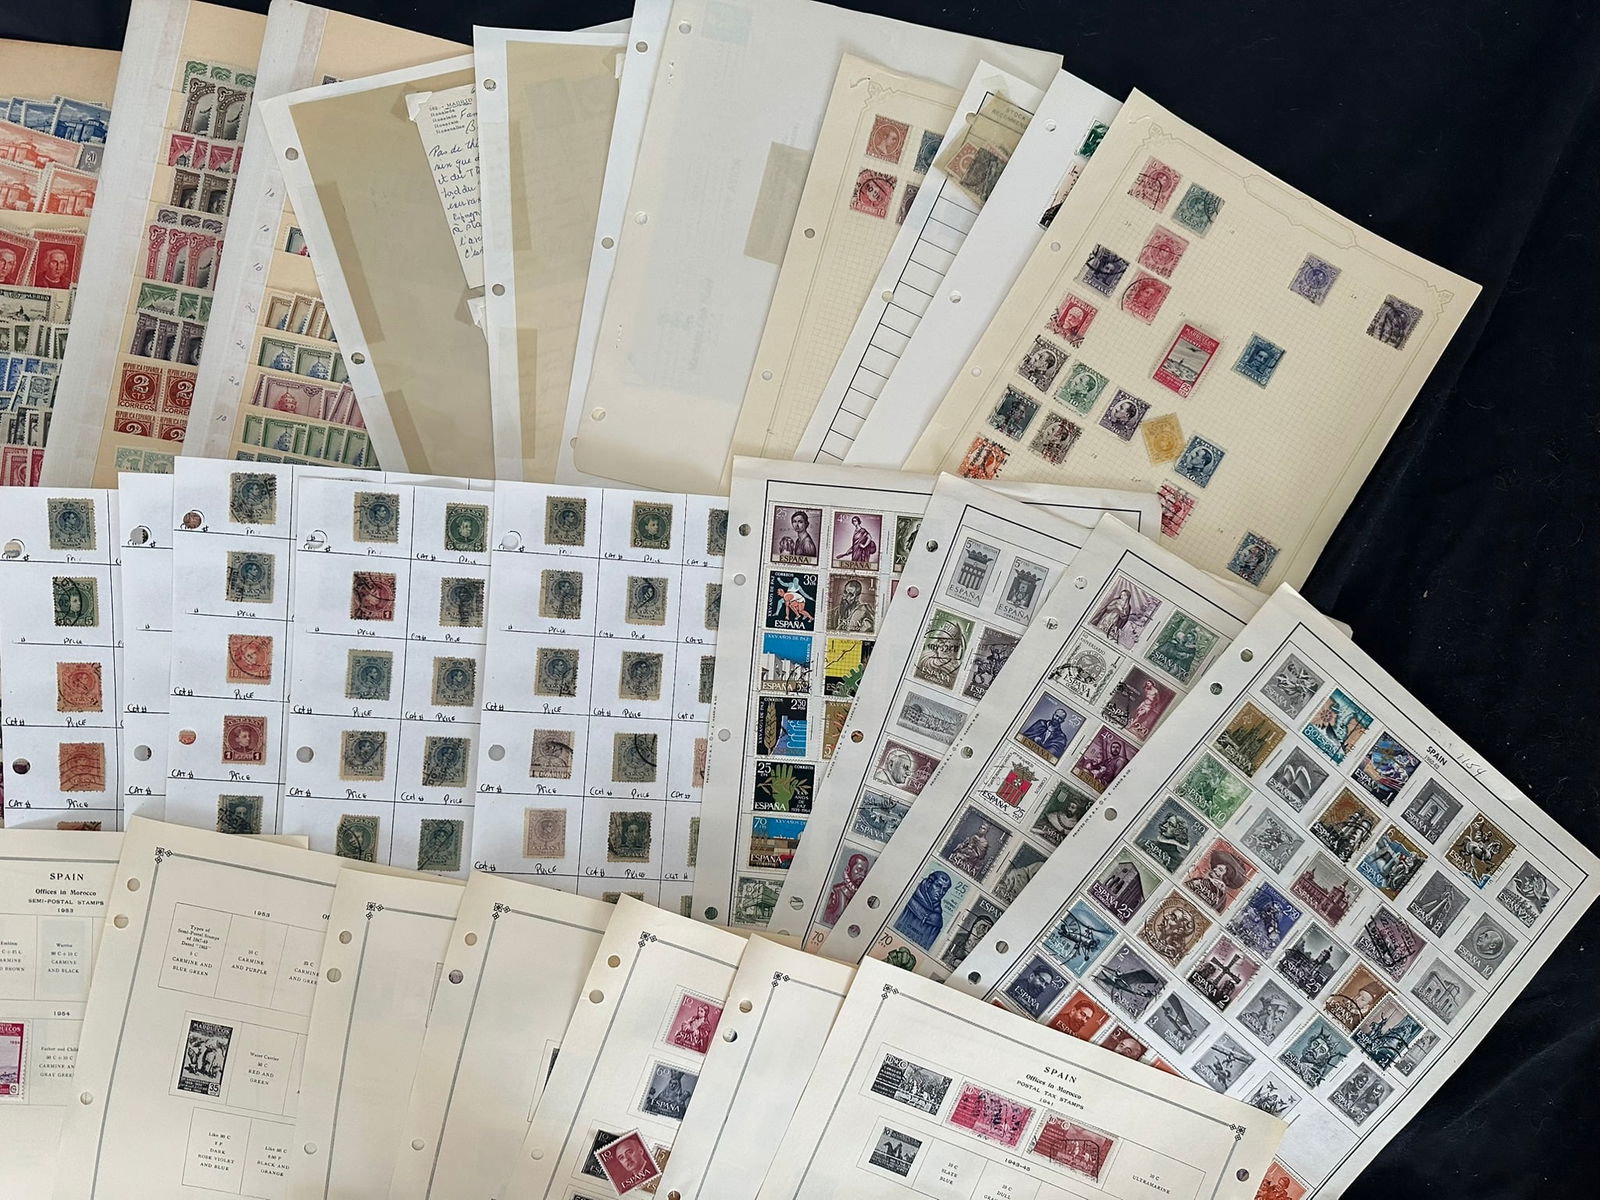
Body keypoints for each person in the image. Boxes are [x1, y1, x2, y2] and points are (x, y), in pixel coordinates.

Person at [894, 870, 951, 949]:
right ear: (928, 883)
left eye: (944, 890)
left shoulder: (937, 920)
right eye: (938, 886)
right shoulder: (907, 898)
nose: (941, 892)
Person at [822, 853, 869, 926]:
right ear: (848, 869)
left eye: (865, 872)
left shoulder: (863, 898)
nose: (863, 875)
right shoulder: (834, 894)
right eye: (859, 870)